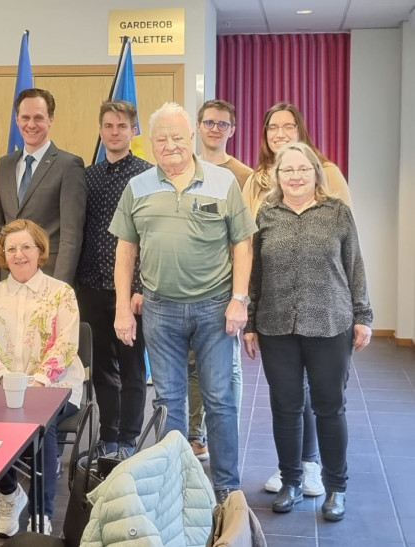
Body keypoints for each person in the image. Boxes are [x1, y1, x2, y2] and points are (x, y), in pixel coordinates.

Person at [110, 102, 256, 504]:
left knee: (220, 399)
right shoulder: (137, 186)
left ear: (191, 137)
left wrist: (239, 300)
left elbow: (242, 244)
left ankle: (227, 487)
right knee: (168, 401)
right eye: (161, 139)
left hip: (214, 308)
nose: (170, 145)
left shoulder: (223, 181)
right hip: (159, 310)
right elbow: (125, 252)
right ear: (151, 143)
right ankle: (176, 481)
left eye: (177, 137)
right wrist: (124, 307)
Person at [243, 142, 372, 521]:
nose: (295, 176)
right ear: (277, 176)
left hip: (330, 323)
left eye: (303, 169)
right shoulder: (266, 214)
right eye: (287, 170)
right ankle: (291, 481)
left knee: (329, 408)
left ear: (316, 172)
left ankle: (336, 488)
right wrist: (250, 325)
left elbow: (355, 266)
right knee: (285, 408)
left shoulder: (337, 213)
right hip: (276, 325)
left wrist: (362, 315)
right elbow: (255, 276)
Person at [0, 219, 84, 536]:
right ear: (3, 255)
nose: (19, 254)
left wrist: (37, 382)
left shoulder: (61, 293)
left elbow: (66, 343)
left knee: (42, 424)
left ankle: (41, 514)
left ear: (39, 251)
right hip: (2, 386)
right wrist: (6, 380)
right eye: (12, 249)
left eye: (26, 247)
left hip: (55, 385)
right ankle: (10, 495)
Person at [75, 100, 151, 458]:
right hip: (91, 284)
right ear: (101, 130)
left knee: (133, 367)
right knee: (102, 367)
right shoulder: (87, 177)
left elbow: (150, 237)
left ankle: (128, 439)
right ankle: (108, 435)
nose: (115, 132)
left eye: (122, 126)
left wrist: (140, 287)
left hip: (132, 290)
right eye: (108, 126)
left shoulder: (148, 176)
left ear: (133, 131)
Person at [187, 99, 253, 461]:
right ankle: (196, 436)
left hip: (227, 286)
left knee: (227, 366)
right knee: (194, 366)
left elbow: (245, 237)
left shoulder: (243, 176)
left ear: (232, 130)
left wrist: (240, 295)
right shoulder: (184, 169)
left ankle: (226, 432)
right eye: (208, 122)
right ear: (198, 127)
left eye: (222, 124)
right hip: (189, 286)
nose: (214, 129)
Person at [0, 88, 86, 285]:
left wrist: (60, 287)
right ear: (16, 119)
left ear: (51, 119)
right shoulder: (4, 164)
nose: (31, 125)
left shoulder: (69, 165)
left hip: (48, 277)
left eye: (39, 118)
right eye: (25, 117)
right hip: (9, 277)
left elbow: (71, 235)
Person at [243, 102, 352, 218]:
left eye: (288, 127)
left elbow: (347, 227)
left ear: (300, 131)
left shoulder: (328, 173)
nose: (280, 134)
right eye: (273, 128)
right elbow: (243, 232)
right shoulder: (255, 181)